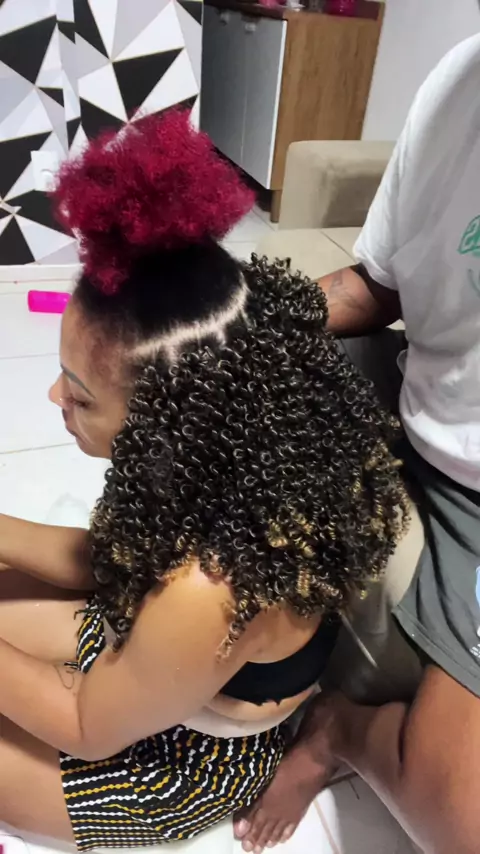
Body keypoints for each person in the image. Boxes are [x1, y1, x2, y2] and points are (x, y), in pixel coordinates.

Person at [0, 111, 411, 850]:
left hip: (186, 759)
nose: (54, 398)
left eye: (81, 395)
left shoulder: (207, 587)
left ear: (168, 425)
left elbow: (88, 725)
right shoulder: (220, 465)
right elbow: (111, 560)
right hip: (156, 655)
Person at [235, 33, 480, 854]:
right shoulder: (459, 81)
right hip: (421, 413)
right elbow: (379, 283)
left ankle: (336, 731)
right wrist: (231, 313)